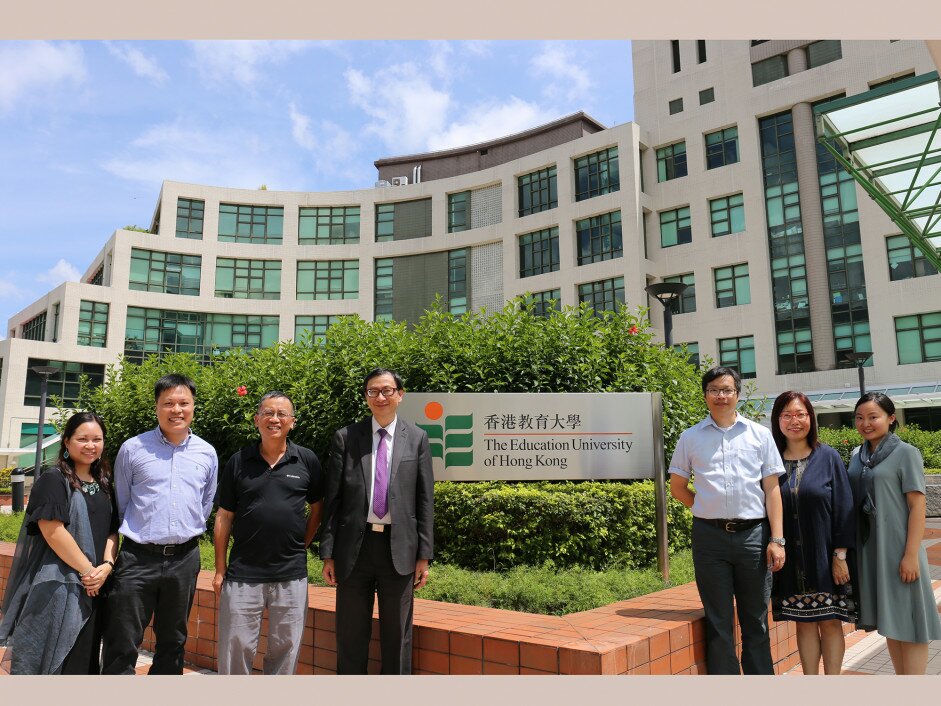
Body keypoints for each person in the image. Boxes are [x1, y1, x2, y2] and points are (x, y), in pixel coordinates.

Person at [668, 366, 786, 675]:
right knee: (718, 620)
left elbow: (772, 490)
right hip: (710, 539)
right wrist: (707, 507)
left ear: (737, 394)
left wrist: (777, 539)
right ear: (705, 395)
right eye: (714, 390)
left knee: (756, 618)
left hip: (754, 537)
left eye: (727, 390)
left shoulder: (759, 435)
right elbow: (678, 488)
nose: (721, 396)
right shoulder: (690, 437)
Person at [101, 373, 218, 674]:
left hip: (184, 558)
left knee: (173, 640)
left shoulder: (207, 453)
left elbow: (205, 505)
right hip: (137, 557)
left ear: (193, 406)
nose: (176, 410)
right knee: (122, 639)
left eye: (183, 403)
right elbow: (123, 502)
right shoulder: (133, 449)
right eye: (168, 403)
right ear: (156, 407)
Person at [320, 368, 434, 674]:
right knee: (350, 633)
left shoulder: (418, 438)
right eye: (372, 391)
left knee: (397, 635)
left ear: (400, 395)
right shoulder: (347, 437)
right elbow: (334, 500)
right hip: (353, 550)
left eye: (386, 390)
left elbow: (424, 500)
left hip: (399, 549)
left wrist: (424, 555)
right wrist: (327, 553)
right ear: (365, 396)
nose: (380, 397)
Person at [213, 391, 324, 674]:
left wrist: (304, 543)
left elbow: (318, 507)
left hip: (291, 574)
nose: (274, 419)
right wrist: (219, 569)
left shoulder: (307, 460)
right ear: (256, 420)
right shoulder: (239, 462)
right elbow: (224, 517)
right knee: (235, 648)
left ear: (292, 422)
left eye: (282, 414)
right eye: (268, 413)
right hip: (243, 574)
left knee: (286, 648)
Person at [0, 412, 118, 674]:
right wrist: (88, 572)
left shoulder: (105, 483)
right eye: (82, 439)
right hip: (61, 586)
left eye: (97, 439)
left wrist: (107, 566)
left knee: (85, 657)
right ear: (66, 442)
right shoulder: (54, 479)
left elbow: (113, 531)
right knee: (57, 659)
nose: (91, 445)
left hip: (97, 585)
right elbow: (52, 530)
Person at [847, 392, 941, 674]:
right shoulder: (857, 455)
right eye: (860, 418)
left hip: (900, 549)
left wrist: (911, 555)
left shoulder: (906, 453)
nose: (866, 423)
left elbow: (917, 506)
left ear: (890, 419)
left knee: (910, 623)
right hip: (870, 550)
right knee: (891, 622)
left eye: (873, 417)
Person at [769, 391, 856, 675]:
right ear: (777, 420)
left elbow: (844, 507)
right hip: (789, 558)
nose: (795, 421)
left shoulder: (828, 456)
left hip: (824, 556)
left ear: (811, 418)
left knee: (830, 621)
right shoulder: (770, 460)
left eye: (801, 414)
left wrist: (839, 554)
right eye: (787, 415)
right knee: (803, 622)